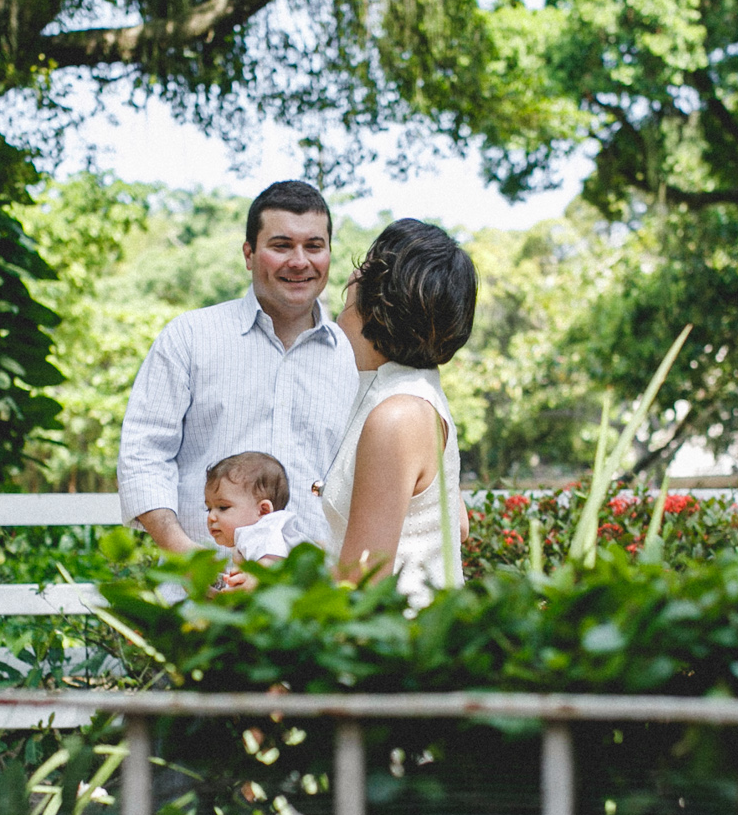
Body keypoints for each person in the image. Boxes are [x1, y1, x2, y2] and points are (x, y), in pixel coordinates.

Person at [118, 180, 357, 554]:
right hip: (200, 591)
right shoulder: (189, 337)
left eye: (314, 246)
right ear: (249, 254)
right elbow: (143, 455)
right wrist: (187, 557)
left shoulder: (351, 356)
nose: (299, 261)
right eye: (281, 246)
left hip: (313, 597)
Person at [318, 218, 476, 605]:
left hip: (399, 649)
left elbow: (361, 585)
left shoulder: (398, 414)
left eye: (369, 264)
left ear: (381, 296)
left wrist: (267, 587)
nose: (354, 272)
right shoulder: (406, 390)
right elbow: (458, 525)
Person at [203, 450, 320, 566]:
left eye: (223, 507)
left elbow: (269, 567)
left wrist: (249, 578)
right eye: (209, 509)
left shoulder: (260, 532)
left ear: (263, 510)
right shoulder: (269, 531)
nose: (211, 517)